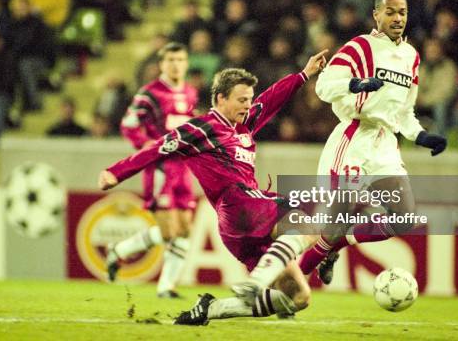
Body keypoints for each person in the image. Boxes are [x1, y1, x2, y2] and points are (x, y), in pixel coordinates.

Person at [98, 49, 328, 325]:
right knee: (309, 225)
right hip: (240, 204)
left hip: (240, 227)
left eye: (249, 100)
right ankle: (256, 281)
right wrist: (116, 173)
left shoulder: (243, 125)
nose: (248, 105)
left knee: (297, 297)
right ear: (220, 98)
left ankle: (211, 309)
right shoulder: (200, 128)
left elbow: (270, 100)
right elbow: (158, 148)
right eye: (242, 100)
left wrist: (303, 75)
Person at [298, 0, 447, 285]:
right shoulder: (360, 47)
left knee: (403, 217)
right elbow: (324, 86)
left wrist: (420, 136)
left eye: (402, 13)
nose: (397, 18)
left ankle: (336, 247)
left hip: (386, 144)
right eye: (390, 12)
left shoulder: (411, 57)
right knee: (333, 222)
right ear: (376, 15)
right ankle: (289, 284)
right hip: (355, 137)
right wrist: (355, 84)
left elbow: (405, 111)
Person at [106, 43, 199, 298]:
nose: (176, 64)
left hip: (185, 167)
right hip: (160, 167)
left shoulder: (191, 93)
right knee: (169, 231)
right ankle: (119, 250)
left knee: (185, 229)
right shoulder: (149, 93)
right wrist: (145, 144)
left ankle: (166, 287)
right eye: (170, 59)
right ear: (162, 64)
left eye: (180, 59)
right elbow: (128, 124)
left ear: (186, 63)